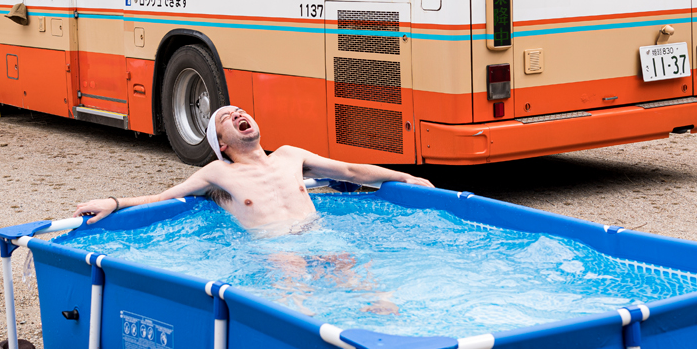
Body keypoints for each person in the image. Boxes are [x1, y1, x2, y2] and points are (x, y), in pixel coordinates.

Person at [76, 105, 434, 233]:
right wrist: (114, 202)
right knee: (298, 303)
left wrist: (404, 176)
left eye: (240, 112)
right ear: (223, 144)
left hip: (320, 234)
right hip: (274, 248)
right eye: (228, 120)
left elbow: (351, 171)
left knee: (366, 287)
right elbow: (161, 198)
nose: (238, 116)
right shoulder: (219, 173)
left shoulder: (290, 155)